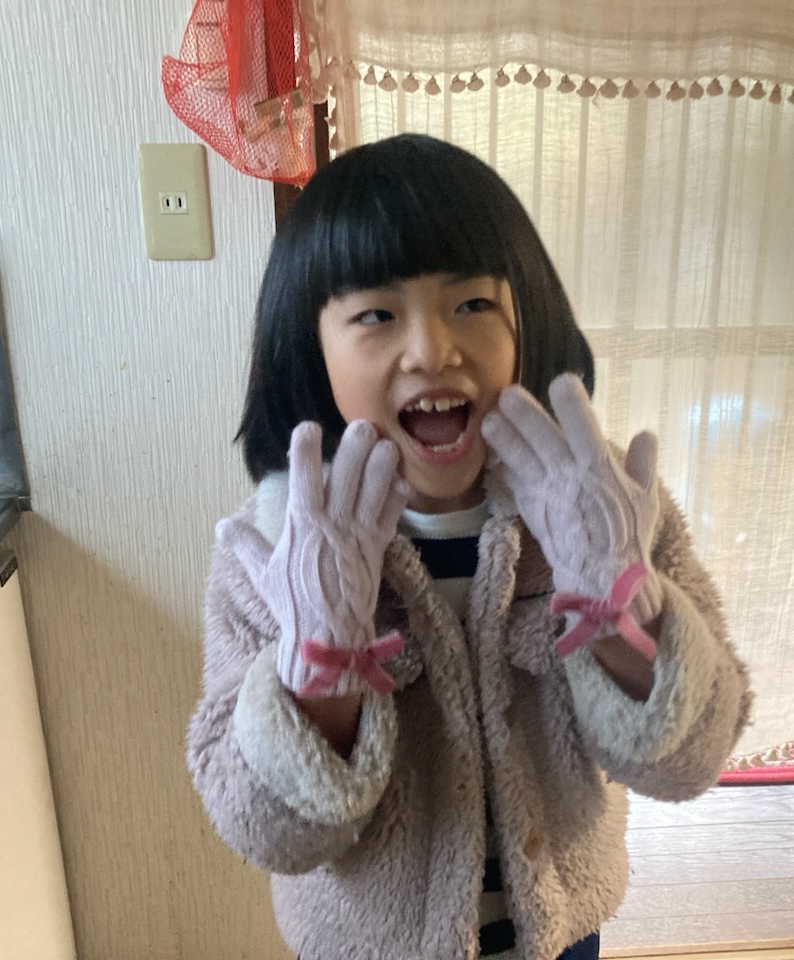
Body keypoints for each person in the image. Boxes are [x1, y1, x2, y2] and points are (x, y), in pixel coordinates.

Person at [188, 133, 752, 960]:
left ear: (528, 318)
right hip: (366, 948)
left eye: (473, 304)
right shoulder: (279, 547)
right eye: (377, 315)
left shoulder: (603, 512)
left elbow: (693, 756)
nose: (432, 350)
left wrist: (620, 607)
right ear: (310, 347)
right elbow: (265, 829)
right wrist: (322, 660)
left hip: (560, 931)